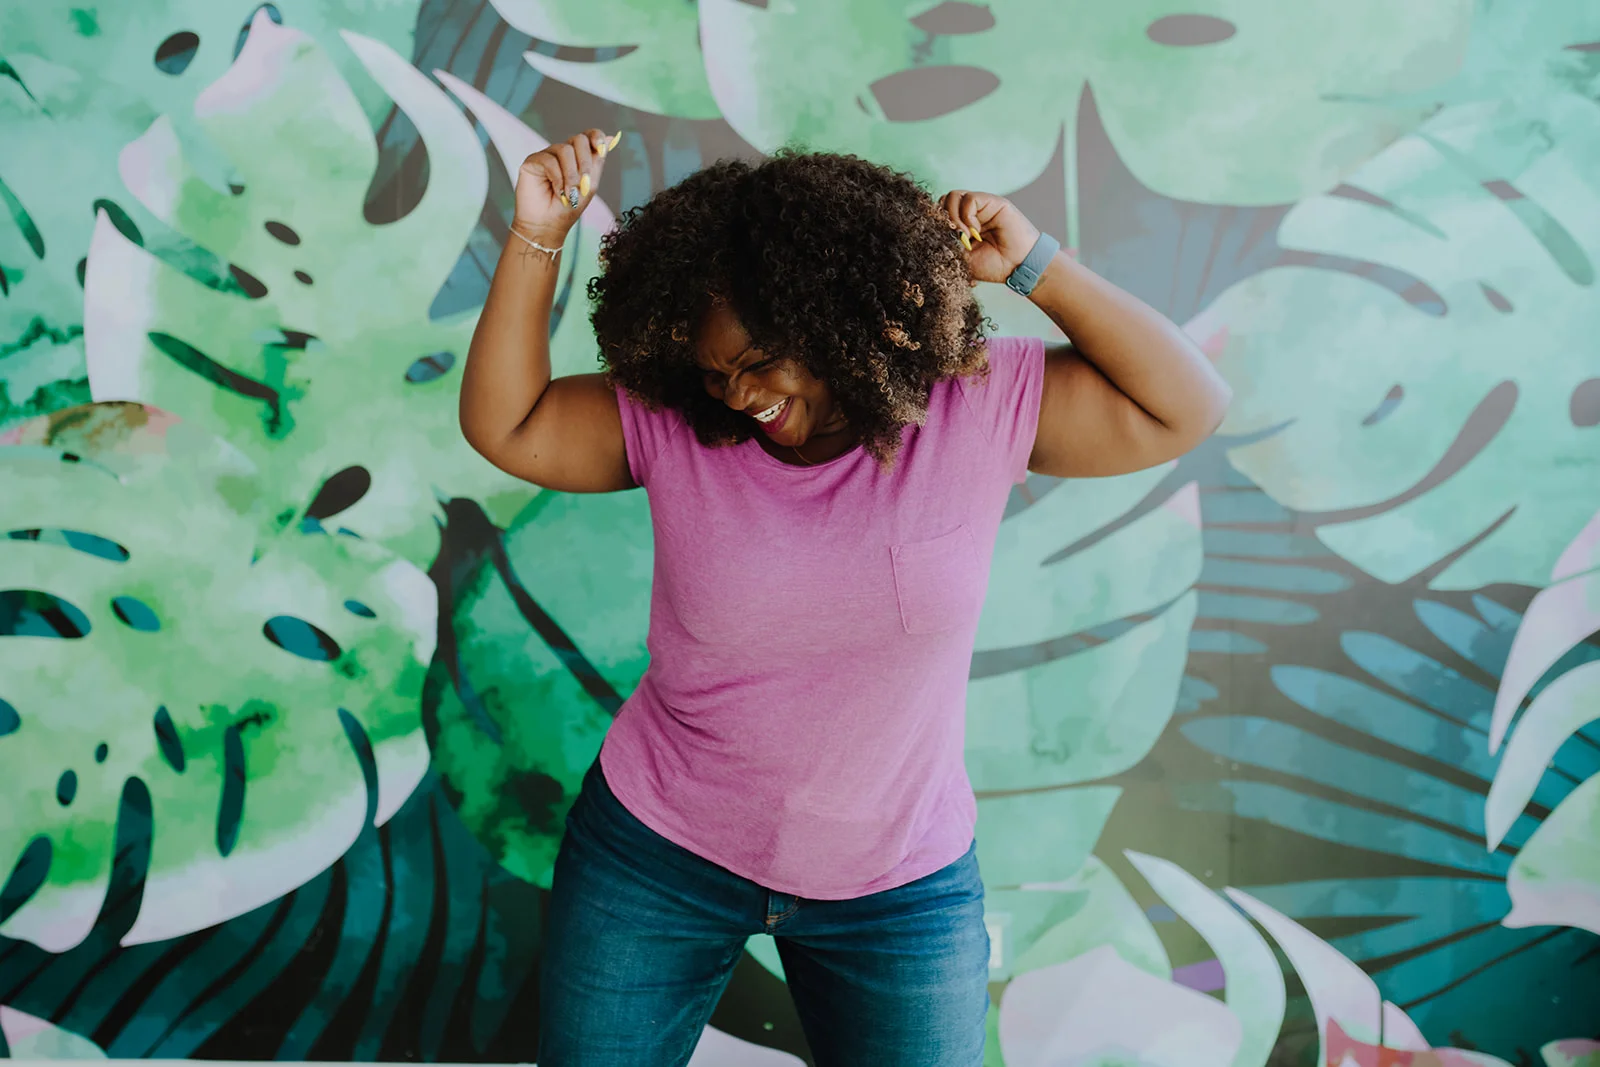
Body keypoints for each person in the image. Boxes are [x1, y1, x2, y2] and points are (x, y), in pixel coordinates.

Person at [460, 129, 1231, 1067]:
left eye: (763, 359)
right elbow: (510, 423)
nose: (740, 394)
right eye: (714, 370)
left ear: (833, 320)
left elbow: (1185, 405)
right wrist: (537, 232)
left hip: (899, 878)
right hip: (660, 854)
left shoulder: (974, 404)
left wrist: (1034, 265)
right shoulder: (679, 423)